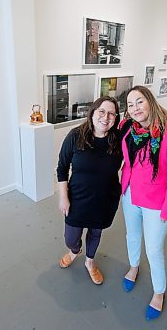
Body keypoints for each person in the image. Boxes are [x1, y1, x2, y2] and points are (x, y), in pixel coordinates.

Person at [119, 85, 167, 320]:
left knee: (154, 248)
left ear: (150, 101)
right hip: (129, 195)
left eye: (139, 101)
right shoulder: (128, 129)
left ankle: (159, 292)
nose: (135, 108)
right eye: (130, 105)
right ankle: (134, 266)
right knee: (132, 236)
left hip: (156, 203)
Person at [57, 96, 123, 285]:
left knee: (96, 232)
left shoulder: (118, 138)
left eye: (111, 113)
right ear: (92, 113)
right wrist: (63, 197)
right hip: (77, 198)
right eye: (101, 111)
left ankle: (90, 262)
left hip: (105, 197)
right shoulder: (75, 135)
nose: (106, 117)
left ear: (116, 118)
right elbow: (62, 167)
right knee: (71, 237)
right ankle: (74, 251)